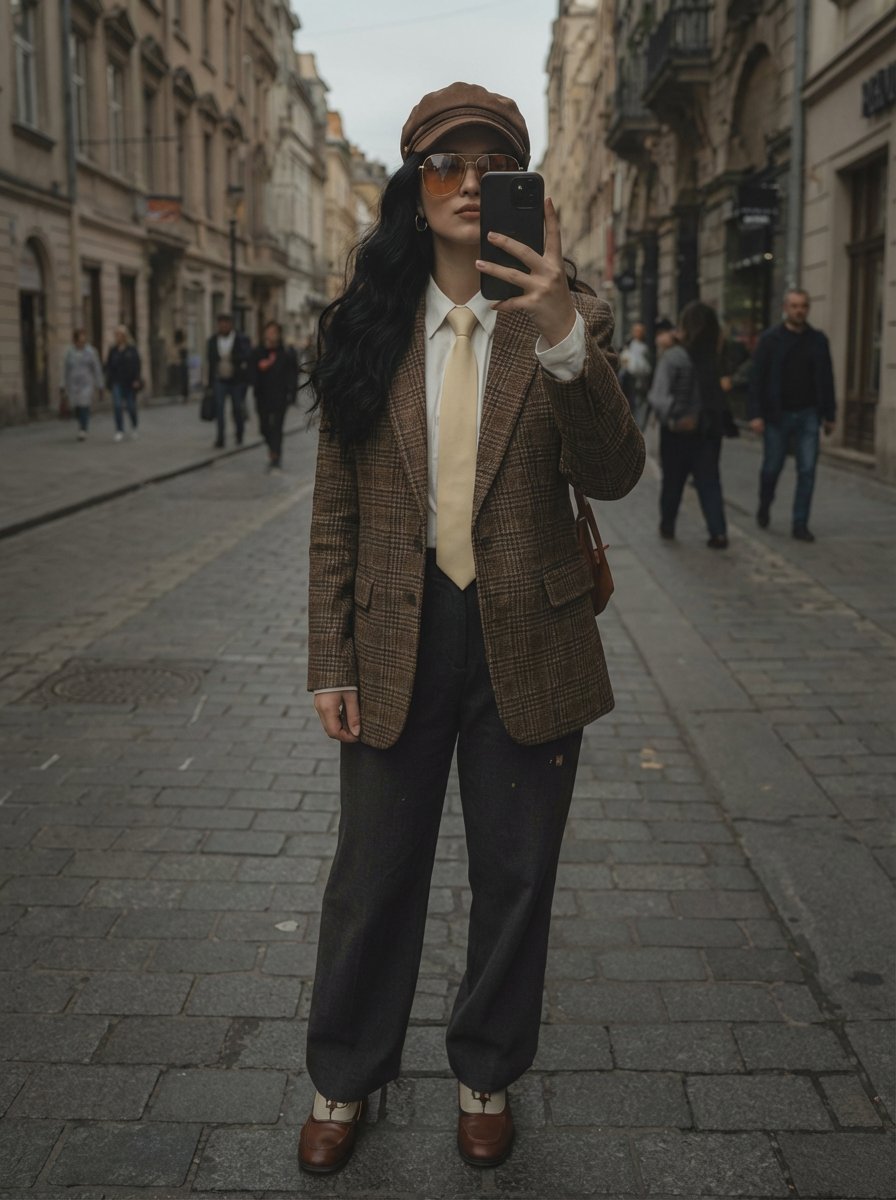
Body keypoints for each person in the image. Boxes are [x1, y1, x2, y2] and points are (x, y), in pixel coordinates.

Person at [301, 82, 644, 1176]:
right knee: (371, 877)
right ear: (412, 191)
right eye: (442, 165)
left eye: (490, 167)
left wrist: (561, 336)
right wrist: (329, 660)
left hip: (529, 637)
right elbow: (336, 513)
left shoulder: (565, 318)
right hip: (395, 637)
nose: (464, 183)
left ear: (518, 190)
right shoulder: (363, 328)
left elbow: (614, 475)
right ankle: (343, 1077)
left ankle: (485, 1072)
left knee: (515, 875)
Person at [748, 288, 836, 542]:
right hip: (777, 415)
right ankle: (765, 505)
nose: (799, 310)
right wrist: (755, 414)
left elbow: (826, 378)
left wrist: (830, 414)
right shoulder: (770, 340)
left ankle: (800, 523)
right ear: (786, 308)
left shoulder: (818, 340)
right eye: (795, 306)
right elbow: (757, 379)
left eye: (803, 306)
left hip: (809, 414)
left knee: (807, 470)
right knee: (771, 468)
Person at [648, 300, 731, 548]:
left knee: (673, 481)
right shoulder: (714, 358)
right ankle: (718, 532)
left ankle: (667, 525)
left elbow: (658, 396)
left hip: (678, 430)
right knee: (709, 481)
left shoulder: (675, 356)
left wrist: (672, 417)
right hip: (709, 430)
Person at [250, 320, 298, 469]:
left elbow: (293, 375)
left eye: (274, 332)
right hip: (262, 395)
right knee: (264, 428)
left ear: (279, 335)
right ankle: (273, 448)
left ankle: (275, 455)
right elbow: (251, 372)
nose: (271, 335)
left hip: (280, 395)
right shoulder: (258, 352)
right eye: (268, 332)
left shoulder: (286, 354)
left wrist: (292, 394)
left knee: (277, 427)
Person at [206, 312, 251, 448]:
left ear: (231, 324)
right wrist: (209, 384)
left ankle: (239, 434)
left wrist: (233, 358)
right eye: (221, 324)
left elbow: (247, 355)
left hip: (236, 381)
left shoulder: (240, 339)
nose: (223, 326)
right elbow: (210, 362)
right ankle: (220, 438)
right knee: (219, 409)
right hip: (220, 380)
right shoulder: (213, 341)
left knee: (237, 408)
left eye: (226, 324)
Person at [63, 328, 103, 440]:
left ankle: (83, 429)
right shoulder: (70, 352)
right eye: (79, 341)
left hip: (86, 383)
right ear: (75, 341)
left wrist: (100, 384)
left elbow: (96, 368)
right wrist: (62, 384)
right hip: (73, 384)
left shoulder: (91, 351)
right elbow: (65, 370)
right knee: (77, 406)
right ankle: (81, 424)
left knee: (84, 405)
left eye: (83, 341)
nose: (81, 343)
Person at [105, 325, 141, 442]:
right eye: (116, 335)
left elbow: (137, 364)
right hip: (117, 382)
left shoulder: (131, 349)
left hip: (130, 382)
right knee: (117, 406)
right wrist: (108, 379)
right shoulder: (113, 350)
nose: (118, 337)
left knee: (131, 407)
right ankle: (119, 430)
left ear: (125, 336)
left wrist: (136, 379)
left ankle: (134, 426)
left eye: (120, 335)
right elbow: (109, 365)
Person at [618, 321, 652, 430]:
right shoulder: (628, 347)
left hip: (640, 385)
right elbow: (624, 362)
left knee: (639, 411)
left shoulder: (645, 348)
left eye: (640, 331)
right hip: (628, 384)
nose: (638, 333)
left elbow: (645, 368)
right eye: (636, 330)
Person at [173, 328, 190, 403]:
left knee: (183, 381)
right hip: (181, 365)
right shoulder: (180, 345)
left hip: (182, 365)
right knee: (182, 381)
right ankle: (183, 395)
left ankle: (184, 396)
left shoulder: (181, 345)